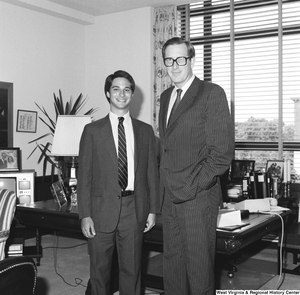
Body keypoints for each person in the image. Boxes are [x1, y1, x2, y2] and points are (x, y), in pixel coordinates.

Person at [158, 37, 235, 294]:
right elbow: (167, 149)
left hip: (198, 197)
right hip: (170, 197)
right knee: (172, 266)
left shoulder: (212, 93)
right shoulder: (166, 96)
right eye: (169, 60)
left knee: (199, 270)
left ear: (191, 60)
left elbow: (221, 155)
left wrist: (193, 187)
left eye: (181, 59)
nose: (175, 65)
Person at [77, 70, 160, 295]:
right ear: (107, 93)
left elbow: (152, 173)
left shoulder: (145, 131)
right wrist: (85, 215)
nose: (121, 94)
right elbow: (84, 176)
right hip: (100, 211)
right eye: (116, 89)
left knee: (131, 273)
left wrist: (153, 210)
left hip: (134, 209)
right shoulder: (92, 131)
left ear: (132, 94)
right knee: (100, 273)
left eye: (126, 89)